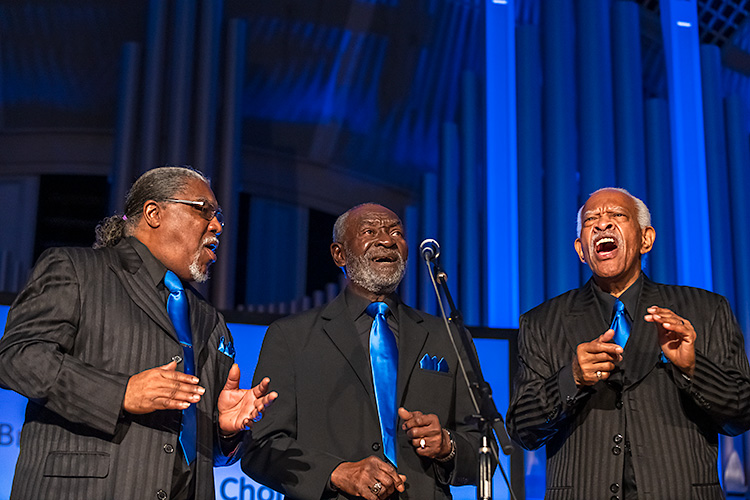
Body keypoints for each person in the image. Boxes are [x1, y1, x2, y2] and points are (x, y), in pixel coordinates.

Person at [0, 166, 277, 500]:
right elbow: (18, 356)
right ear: (153, 213)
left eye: (218, 215)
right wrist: (121, 393)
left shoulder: (209, 319)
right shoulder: (75, 268)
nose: (217, 225)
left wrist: (224, 430)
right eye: (204, 210)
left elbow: (201, 450)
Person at [506, 187, 750, 499]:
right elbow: (522, 430)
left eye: (617, 216)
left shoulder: (705, 309)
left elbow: (742, 413)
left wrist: (693, 368)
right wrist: (571, 380)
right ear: (581, 250)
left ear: (646, 239)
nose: (602, 224)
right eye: (591, 219)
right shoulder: (541, 323)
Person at [241, 203, 480, 499]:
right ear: (339, 254)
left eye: (396, 232)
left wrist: (447, 446)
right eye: (370, 231)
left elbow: (485, 450)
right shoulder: (291, 337)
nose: (387, 240)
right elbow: (261, 447)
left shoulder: (449, 336)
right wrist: (337, 472)